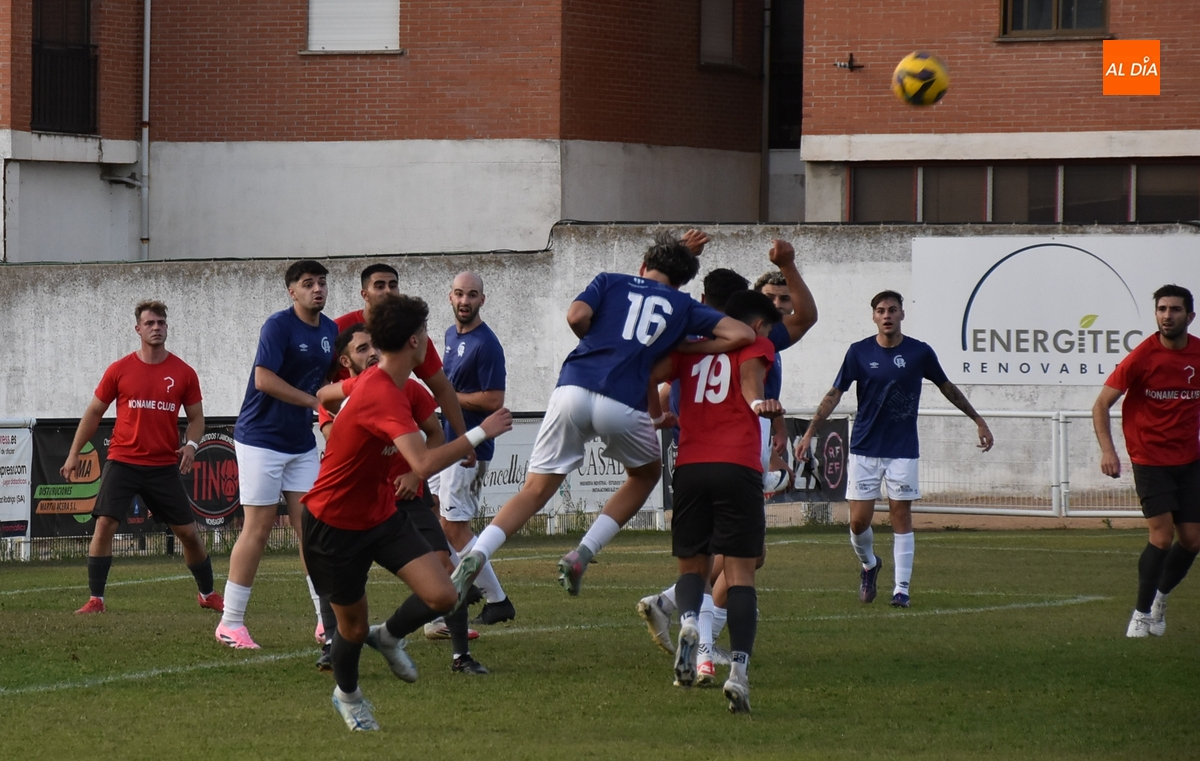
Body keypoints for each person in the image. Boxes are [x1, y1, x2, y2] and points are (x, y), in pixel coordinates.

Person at [451, 230, 756, 603]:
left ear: (643, 266)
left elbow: (576, 315)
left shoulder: (610, 281)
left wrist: (594, 337)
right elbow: (741, 334)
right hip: (623, 401)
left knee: (535, 489)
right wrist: (686, 346)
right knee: (645, 476)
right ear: (683, 281)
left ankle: (479, 553)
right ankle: (583, 553)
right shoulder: (683, 305)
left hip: (573, 388)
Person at [301, 294, 511, 731]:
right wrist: (480, 433)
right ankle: (348, 696)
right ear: (415, 342)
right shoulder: (379, 391)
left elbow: (327, 392)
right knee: (351, 630)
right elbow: (424, 463)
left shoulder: (387, 383)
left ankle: (389, 635)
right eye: (426, 334)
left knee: (444, 594)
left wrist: (335, 403)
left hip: (381, 513)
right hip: (334, 523)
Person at [794, 290, 993, 608]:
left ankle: (902, 590)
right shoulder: (858, 352)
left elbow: (947, 387)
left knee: (901, 515)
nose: (887, 315)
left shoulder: (919, 352)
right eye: (881, 310)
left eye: (892, 309)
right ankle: (870, 564)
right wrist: (809, 433)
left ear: (902, 314)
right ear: (873, 316)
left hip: (902, 449)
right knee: (858, 523)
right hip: (864, 447)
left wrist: (978, 420)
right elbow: (835, 393)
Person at [318, 324, 485, 674]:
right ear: (346, 361)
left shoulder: (409, 389)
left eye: (374, 345)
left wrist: (414, 474)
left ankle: (461, 655)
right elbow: (328, 413)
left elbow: (435, 434)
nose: (372, 353)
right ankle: (335, 647)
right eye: (362, 349)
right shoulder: (351, 394)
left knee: (446, 571)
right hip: (358, 506)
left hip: (406, 498)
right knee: (344, 594)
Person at [651, 289, 784, 714]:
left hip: (691, 466)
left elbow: (648, 373)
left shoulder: (688, 351)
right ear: (757, 325)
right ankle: (739, 674)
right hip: (737, 466)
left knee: (693, 567)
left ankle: (689, 622)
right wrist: (758, 403)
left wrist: (654, 416)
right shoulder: (755, 345)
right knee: (741, 573)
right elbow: (750, 382)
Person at [62, 301, 223, 614]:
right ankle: (96, 600)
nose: (156, 328)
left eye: (161, 323)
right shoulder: (119, 369)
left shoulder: (184, 372)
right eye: (149, 323)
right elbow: (94, 412)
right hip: (123, 461)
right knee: (104, 525)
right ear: (138, 329)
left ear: (167, 327)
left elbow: (196, 419)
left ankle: (207, 593)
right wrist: (73, 454)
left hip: (162, 466)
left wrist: (191, 445)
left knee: (189, 534)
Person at [217, 260, 338, 649]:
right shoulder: (278, 325)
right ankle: (230, 623)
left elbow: (328, 381)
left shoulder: (331, 330)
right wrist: (315, 403)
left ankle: (325, 621)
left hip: (300, 442)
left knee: (312, 529)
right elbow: (263, 379)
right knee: (259, 526)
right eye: (308, 283)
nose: (317, 289)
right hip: (260, 439)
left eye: (322, 282)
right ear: (292, 292)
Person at [1092, 284, 1200, 638]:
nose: (1167, 316)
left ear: (1190, 316)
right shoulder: (1142, 357)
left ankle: (1159, 600)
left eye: (1175, 309)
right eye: (1162, 309)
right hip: (1150, 459)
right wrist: (1108, 451)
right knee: (1162, 537)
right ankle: (1140, 615)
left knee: (1193, 540)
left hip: (1190, 460)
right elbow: (1101, 405)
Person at [427, 271, 515, 627]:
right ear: (450, 297)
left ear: (482, 300)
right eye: (459, 294)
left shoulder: (487, 344)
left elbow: (494, 400)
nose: (465, 301)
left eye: (472, 295)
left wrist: (448, 396)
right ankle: (460, 588)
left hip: (471, 447)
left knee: (455, 527)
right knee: (432, 513)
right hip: (446, 442)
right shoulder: (451, 335)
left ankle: (497, 600)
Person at [335, 263, 470, 448]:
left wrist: (464, 439)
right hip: (352, 432)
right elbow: (323, 387)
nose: (388, 291)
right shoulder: (339, 329)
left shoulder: (412, 334)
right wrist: (331, 425)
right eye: (379, 286)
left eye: (393, 285)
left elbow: (443, 389)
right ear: (364, 294)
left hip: (393, 429)